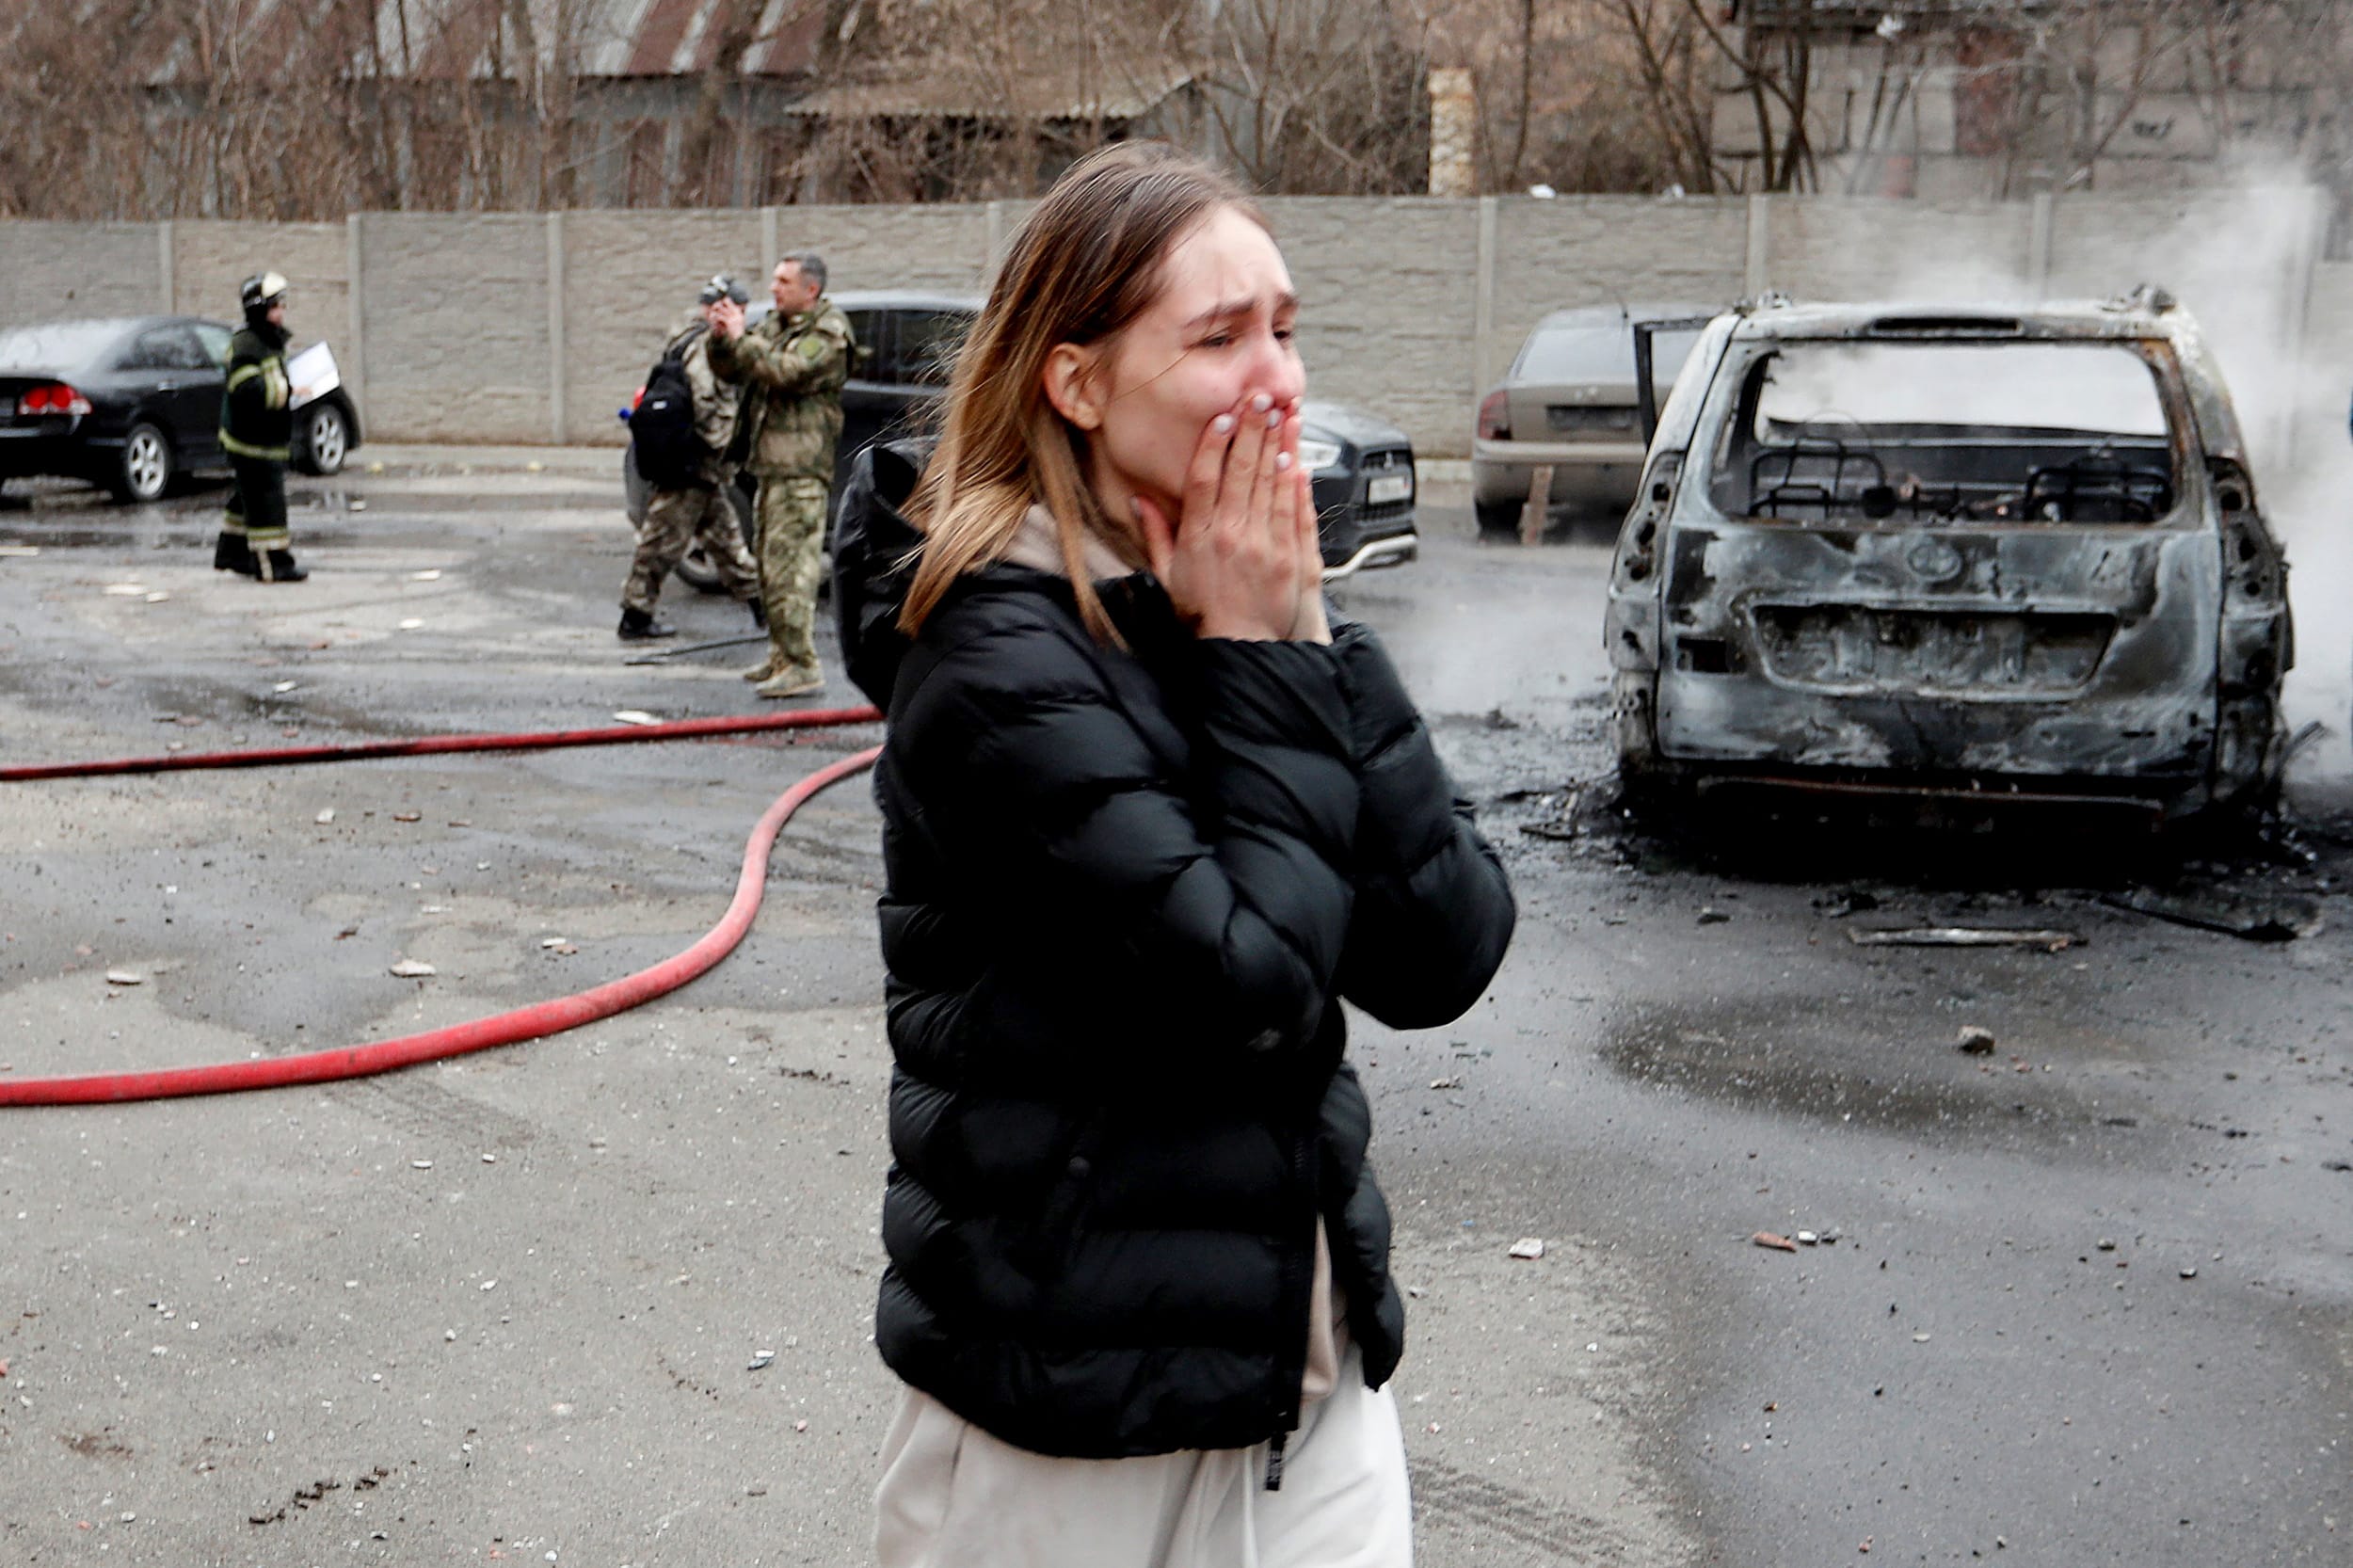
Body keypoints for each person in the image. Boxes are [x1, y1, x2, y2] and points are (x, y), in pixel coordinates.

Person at [839, 142, 1516, 1568]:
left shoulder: (1235, 601)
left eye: (1285, 326)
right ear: (1076, 383)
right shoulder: (989, 658)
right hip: (1062, 1419)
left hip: (1302, 1383)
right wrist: (1263, 659)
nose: (1277, 377)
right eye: (1217, 338)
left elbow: (1444, 949)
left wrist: (1307, 636)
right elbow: (1246, 985)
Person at [706, 251, 855, 697]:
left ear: (811, 290)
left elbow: (785, 372)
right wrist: (722, 339)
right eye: (774, 280)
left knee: (794, 570)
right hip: (770, 468)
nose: (774, 288)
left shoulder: (828, 333)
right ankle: (782, 655)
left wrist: (742, 339)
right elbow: (735, 369)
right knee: (770, 568)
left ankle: (804, 665)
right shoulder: (776, 326)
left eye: (784, 282)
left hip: (800, 472)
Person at [618, 274, 766, 641]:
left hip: (696, 467)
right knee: (660, 543)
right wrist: (725, 449)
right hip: (693, 466)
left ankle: (764, 611)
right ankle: (635, 618)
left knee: (727, 543)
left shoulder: (682, 337)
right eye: (741, 309)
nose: (742, 317)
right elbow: (707, 403)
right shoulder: (702, 345)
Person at [215, 271, 305, 582]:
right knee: (266, 501)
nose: (282, 312)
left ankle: (234, 554)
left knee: (247, 496)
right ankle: (273, 565)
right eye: (276, 306)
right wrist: (287, 391)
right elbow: (244, 391)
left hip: (264, 438)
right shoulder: (246, 345)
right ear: (259, 308)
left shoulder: (267, 340)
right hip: (250, 442)